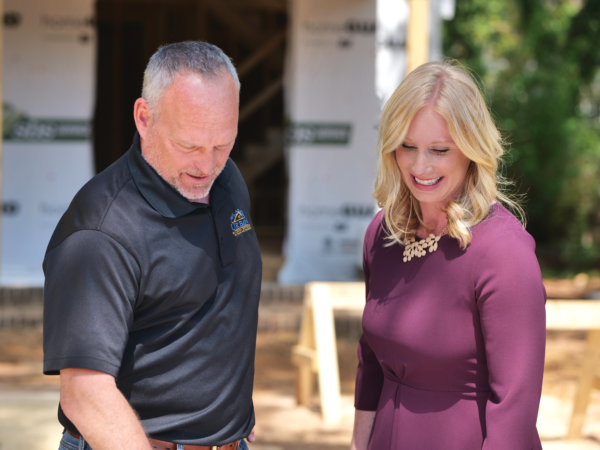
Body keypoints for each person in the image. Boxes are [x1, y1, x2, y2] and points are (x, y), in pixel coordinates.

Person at [43, 41, 261, 450]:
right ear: (145, 118)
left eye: (223, 143)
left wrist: (228, 409)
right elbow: (85, 394)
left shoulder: (226, 179)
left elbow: (215, 306)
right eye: (189, 146)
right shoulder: (101, 231)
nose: (207, 165)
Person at [350, 61, 546, 450]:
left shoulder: (505, 253)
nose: (420, 166)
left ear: (472, 149)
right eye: (407, 147)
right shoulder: (381, 234)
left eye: (438, 150)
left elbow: (515, 407)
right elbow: (370, 360)